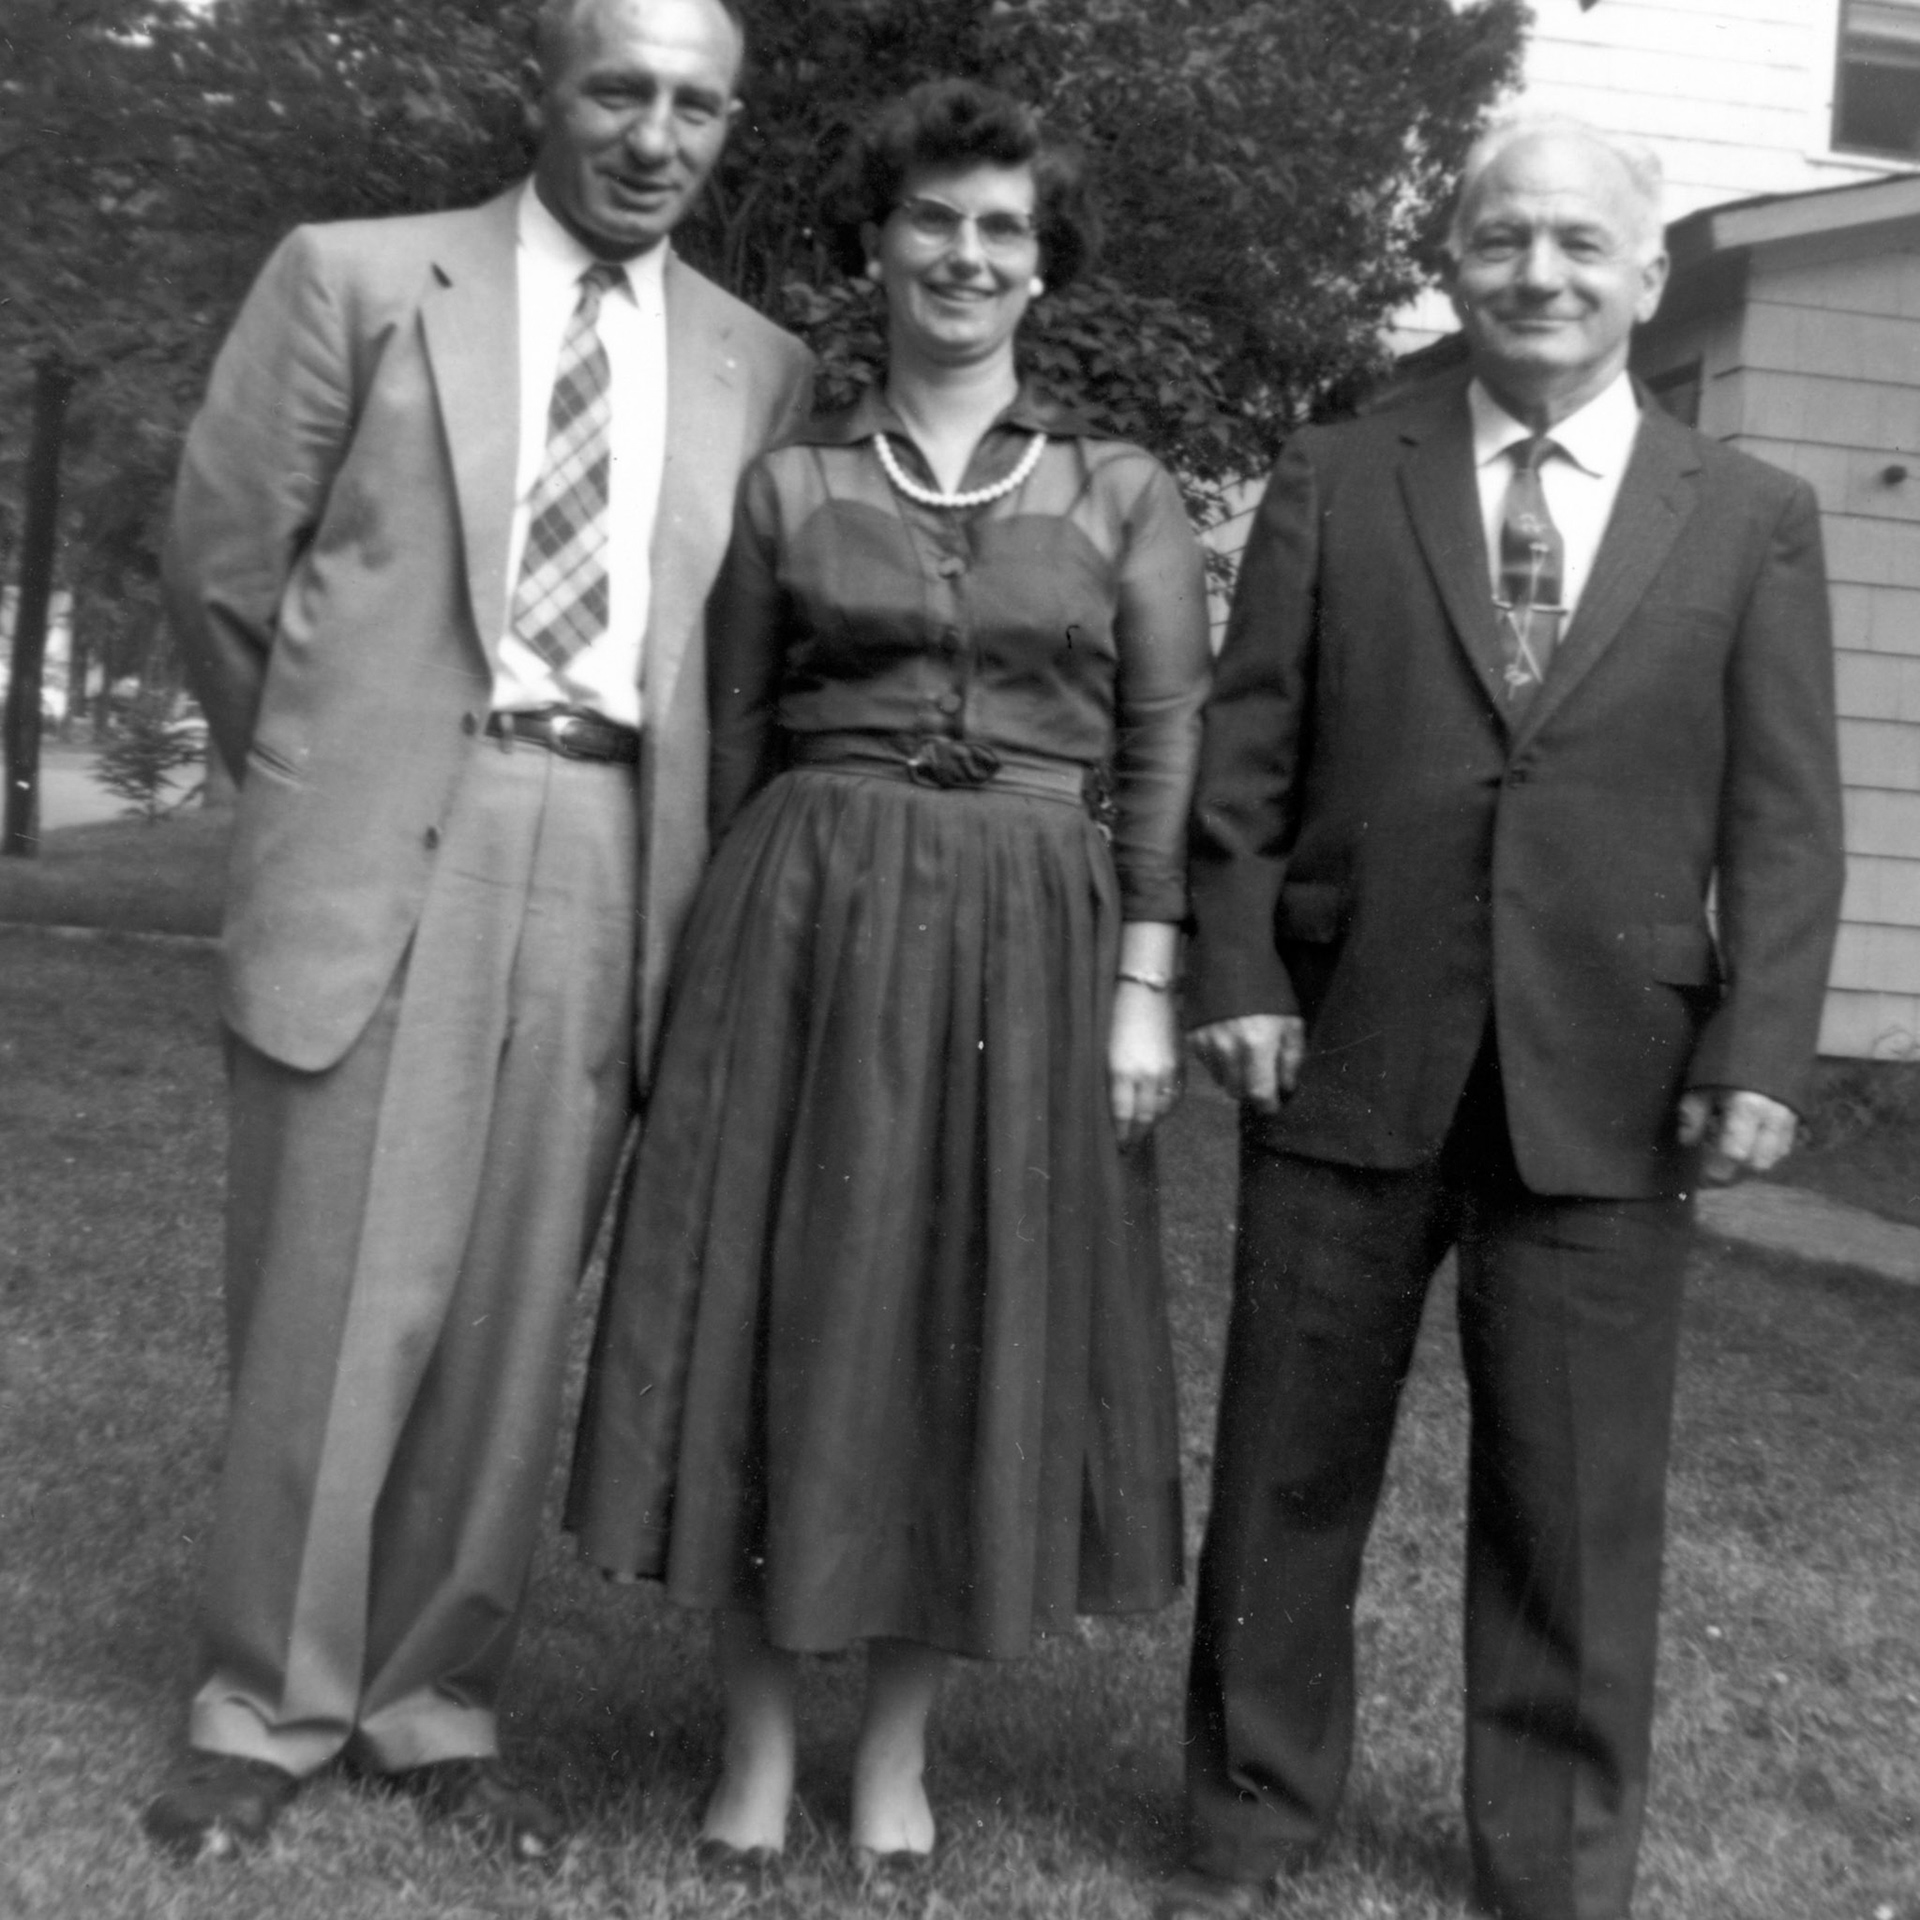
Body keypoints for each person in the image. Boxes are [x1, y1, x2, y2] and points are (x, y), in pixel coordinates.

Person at [143, 0, 812, 1866]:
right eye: (620, 89)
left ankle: (432, 1698)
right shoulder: (357, 279)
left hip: (617, 843)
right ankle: (263, 1707)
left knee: (521, 1293)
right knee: (339, 1286)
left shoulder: (763, 362)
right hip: (390, 829)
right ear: (552, 93)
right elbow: (223, 558)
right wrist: (310, 774)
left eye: (695, 105)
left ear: (727, 125)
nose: (654, 134)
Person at [1161, 117, 1844, 1920]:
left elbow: (1783, 816)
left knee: (1575, 1490)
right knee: (1288, 1471)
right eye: (1500, 239)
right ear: (1454, 262)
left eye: (1577, 246)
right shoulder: (1339, 476)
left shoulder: (1752, 517)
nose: (1537, 273)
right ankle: (1248, 1819)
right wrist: (1232, 971)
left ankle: (1549, 1856)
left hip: (1611, 1073)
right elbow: (1247, 770)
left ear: (1647, 278)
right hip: (1346, 1039)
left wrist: (1762, 1047)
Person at [565, 76, 1211, 1879]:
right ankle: (759, 1747)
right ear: (880, 240)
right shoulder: (792, 487)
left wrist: (1144, 986)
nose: (966, 252)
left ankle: (899, 1757)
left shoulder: (1120, 494)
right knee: (782, 1309)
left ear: (1043, 267)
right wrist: (698, 962)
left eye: (1003, 228)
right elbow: (738, 731)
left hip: (1034, 927)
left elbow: (1165, 752)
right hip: (808, 920)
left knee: (965, 1318)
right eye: (934, 217)